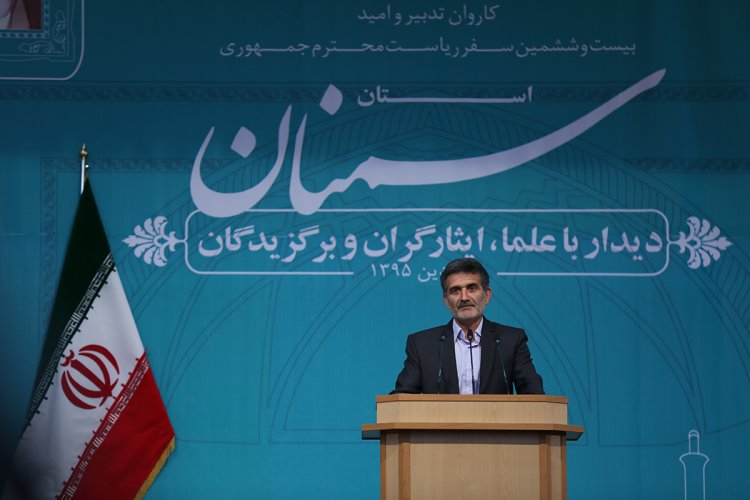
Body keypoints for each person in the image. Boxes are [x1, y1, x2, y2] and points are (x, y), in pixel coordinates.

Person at [392, 257, 544, 394]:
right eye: (455, 291)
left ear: (487, 295)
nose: (464, 297)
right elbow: (402, 398)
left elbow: (535, 396)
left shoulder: (511, 340)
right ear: (446, 300)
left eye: (472, 288)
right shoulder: (422, 344)